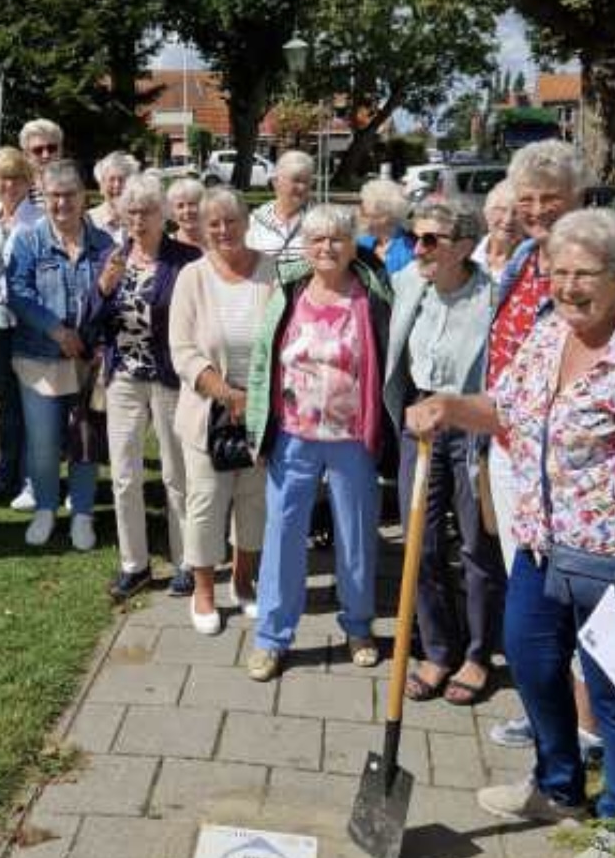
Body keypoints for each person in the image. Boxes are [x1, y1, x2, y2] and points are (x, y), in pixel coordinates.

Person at [407, 208, 615, 858]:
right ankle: (555, 786)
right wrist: (451, 406)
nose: (568, 286)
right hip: (540, 550)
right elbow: (506, 412)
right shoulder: (548, 335)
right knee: (532, 666)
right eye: (558, 272)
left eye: (585, 274)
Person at [485, 140, 603, 754]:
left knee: (573, 596)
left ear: (577, 199)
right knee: (529, 591)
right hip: (510, 450)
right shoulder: (525, 257)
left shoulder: (589, 263)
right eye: (526, 197)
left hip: (567, 465)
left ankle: (585, 727)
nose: (535, 209)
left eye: (549, 198)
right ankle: (547, 714)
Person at [245, 205, 393, 681]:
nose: (326, 248)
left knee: (356, 534)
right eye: (317, 240)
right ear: (304, 247)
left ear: (353, 245)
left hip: (352, 435)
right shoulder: (287, 291)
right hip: (293, 434)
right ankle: (271, 637)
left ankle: (358, 626)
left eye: (337, 239)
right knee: (283, 535)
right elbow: (263, 361)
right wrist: (256, 426)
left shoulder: (371, 295)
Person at [384, 201, 505, 704]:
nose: (418, 248)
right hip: (419, 423)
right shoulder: (409, 284)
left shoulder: (493, 298)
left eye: (431, 240)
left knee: (478, 545)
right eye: (416, 236)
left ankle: (478, 656)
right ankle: (437, 650)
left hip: (471, 430)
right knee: (421, 542)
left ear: (462, 245)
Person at [86, 174, 200, 601]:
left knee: (176, 473)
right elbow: (89, 321)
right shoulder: (114, 259)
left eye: (147, 211)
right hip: (124, 380)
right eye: (131, 211)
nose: (139, 219)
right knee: (124, 475)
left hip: (170, 380)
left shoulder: (185, 259)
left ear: (163, 214)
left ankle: (187, 560)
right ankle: (134, 565)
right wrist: (103, 288)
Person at [170, 188, 277, 626]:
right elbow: (182, 349)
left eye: (230, 220)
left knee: (254, 503)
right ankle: (204, 591)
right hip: (207, 411)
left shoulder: (271, 271)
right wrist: (225, 393)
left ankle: (244, 580)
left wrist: (256, 399)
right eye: (213, 223)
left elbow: (285, 336)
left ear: (247, 222)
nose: (222, 230)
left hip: (262, 410)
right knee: (206, 503)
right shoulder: (192, 277)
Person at [6, 160, 114, 550]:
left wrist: (94, 342)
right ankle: (47, 509)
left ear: (84, 197)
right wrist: (56, 329)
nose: (62, 203)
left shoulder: (104, 244)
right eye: (54, 195)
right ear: (43, 197)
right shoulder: (27, 240)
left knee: (84, 438)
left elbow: (112, 299)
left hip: (88, 361)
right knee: (44, 441)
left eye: (70, 194)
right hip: (39, 358)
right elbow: (17, 293)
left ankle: (82, 513)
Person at [0, 147, 42, 506]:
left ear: (27, 182)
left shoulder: (37, 221)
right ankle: (5, 473)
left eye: (17, 178)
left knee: (32, 400)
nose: (9, 185)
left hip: (28, 322)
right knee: (5, 401)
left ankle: (33, 478)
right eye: (3, 178)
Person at [247, 150, 314, 269]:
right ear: (275, 182)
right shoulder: (254, 223)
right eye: (296, 180)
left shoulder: (321, 221)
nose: (302, 187)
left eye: (307, 181)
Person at [357, 177, 416, 275]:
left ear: (385, 217)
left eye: (364, 212)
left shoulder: (409, 251)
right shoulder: (363, 242)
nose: (358, 214)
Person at [472, 179, 522, 286]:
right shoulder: (467, 252)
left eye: (517, 213)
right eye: (501, 210)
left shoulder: (530, 261)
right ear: (486, 213)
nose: (508, 219)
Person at [88, 152, 141, 242]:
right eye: (111, 179)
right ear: (101, 186)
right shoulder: (88, 221)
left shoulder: (142, 220)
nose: (117, 185)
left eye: (122, 179)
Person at [18, 119, 65, 206]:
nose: (46, 155)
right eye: (38, 150)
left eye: (52, 148)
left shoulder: (74, 188)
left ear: (60, 150)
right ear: (26, 155)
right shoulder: (17, 190)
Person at [166, 176, 205, 249]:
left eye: (192, 204)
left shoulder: (217, 241)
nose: (187, 210)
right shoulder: (164, 246)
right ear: (172, 213)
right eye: (180, 206)